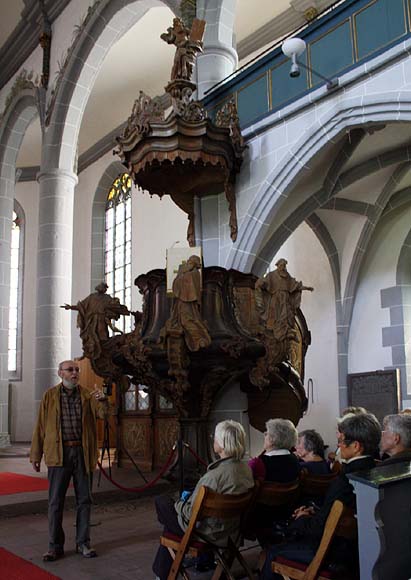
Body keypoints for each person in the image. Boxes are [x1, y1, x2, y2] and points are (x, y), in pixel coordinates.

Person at [260, 412, 381, 579]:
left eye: (341, 441)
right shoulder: (375, 470)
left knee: (273, 552)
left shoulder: (345, 481)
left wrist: (302, 519)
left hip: (332, 554)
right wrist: (314, 511)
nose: (339, 445)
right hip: (358, 550)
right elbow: (335, 515)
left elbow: (319, 530)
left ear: (356, 446)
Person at [152, 420, 254, 580]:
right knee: (169, 526)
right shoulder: (246, 469)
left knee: (162, 503)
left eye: (215, 437)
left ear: (222, 444)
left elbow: (189, 514)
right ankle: (162, 573)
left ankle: (162, 574)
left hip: (207, 532)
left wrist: (180, 503)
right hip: (231, 529)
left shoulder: (213, 477)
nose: (213, 439)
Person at [30, 360, 109, 561]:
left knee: (84, 500)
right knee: (55, 502)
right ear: (60, 373)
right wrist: (35, 455)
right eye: (70, 370)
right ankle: (55, 546)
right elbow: (40, 427)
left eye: (76, 370)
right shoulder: (50, 396)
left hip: (82, 453)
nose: (74, 373)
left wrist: (102, 400)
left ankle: (83, 542)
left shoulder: (88, 395)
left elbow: (103, 415)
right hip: (58, 453)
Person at [255, 259, 313, 343]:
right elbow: (264, 283)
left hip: (286, 299)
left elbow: (295, 286)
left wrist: (306, 288)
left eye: (284, 266)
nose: (283, 267)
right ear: (278, 265)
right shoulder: (271, 275)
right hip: (276, 299)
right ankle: (278, 333)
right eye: (282, 265)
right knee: (277, 316)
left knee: (287, 315)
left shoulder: (287, 276)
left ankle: (287, 332)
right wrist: (260, 283)